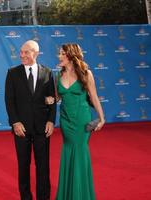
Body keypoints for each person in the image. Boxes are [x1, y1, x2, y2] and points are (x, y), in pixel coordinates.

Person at [5, 40, 57, 200]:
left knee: (43, 167)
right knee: (23, 166)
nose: (22, 55)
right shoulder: (12, 72)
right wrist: (15, 122)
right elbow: (9, 100)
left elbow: (52, 99)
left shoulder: (47, 72)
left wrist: (51, 120)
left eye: (26, 52)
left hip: (42, 128)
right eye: (21, 52)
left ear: (36, 53)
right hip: (21, 128)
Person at [53, 43, 105, 200]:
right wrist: (49, 99)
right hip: (66, 121)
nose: (59, 56)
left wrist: (101, 118)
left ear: (70, 55)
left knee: (80, 151)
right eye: (60, 53)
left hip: (82, 121)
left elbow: (94, 96)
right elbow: (57, 98)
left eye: (62, 54)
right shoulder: (57, 76)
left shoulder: (85, 73)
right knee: (69, 151)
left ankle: (81, 195)